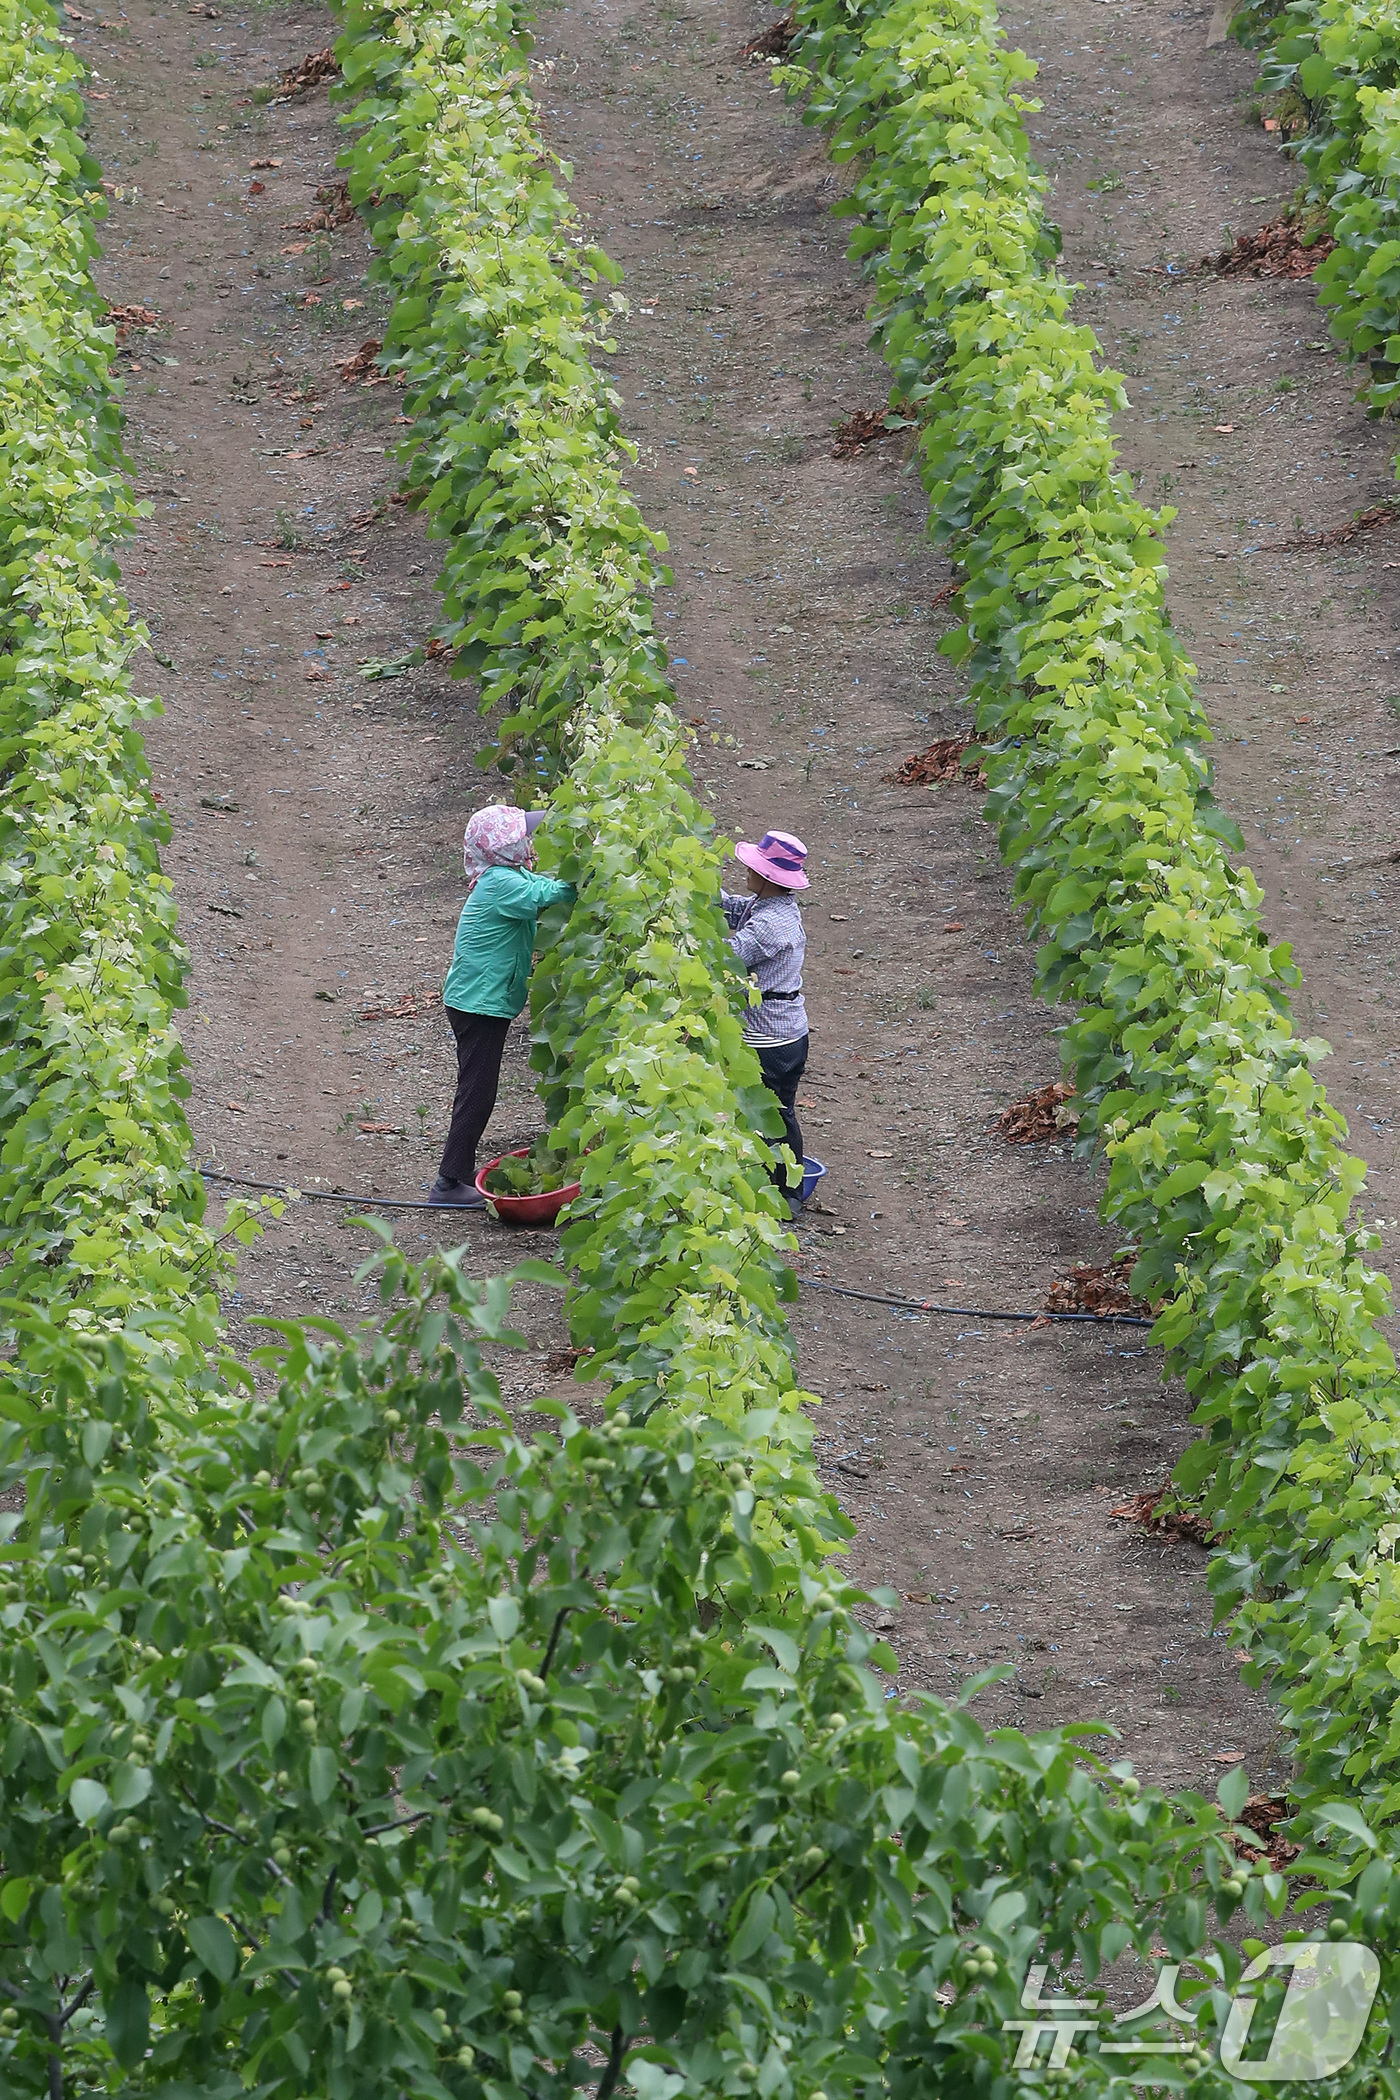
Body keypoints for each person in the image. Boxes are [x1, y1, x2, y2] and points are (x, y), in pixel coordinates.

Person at [428, 805, 576, 1208]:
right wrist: (590, 874)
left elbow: (539, 883)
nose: (528, 841)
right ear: (504, 848)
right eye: (522, 837)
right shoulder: (500, 885)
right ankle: (448, 1183)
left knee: (479, 1089)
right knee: (477, 1092)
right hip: (478, 1003)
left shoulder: (506, 875)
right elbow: (552, 894)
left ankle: (453, 1176)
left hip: (480, 999)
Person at [720, 828, 809, 1205]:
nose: (746, 871)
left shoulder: (771, 926)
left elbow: (727, 957)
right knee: (771, 1110)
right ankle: (775, 1181)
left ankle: (788, 1191)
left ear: (768, 877)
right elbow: (733, 907)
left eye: (752, 867)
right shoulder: (770, 906)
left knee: (775, 1113)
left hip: (772, 1037)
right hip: (780, 1029)